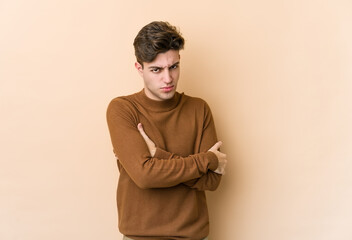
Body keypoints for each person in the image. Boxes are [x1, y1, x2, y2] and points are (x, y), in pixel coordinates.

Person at [106, 21, 227, 240]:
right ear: (139, 68)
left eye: (173, 66)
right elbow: (144, 176)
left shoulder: (199, 109)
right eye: (156, 70)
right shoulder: (122, 109)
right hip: (139, 237)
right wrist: (207, 160)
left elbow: (212, 181)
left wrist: (158, 157)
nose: (168, 78)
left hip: (194, 236)